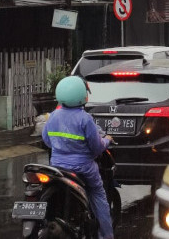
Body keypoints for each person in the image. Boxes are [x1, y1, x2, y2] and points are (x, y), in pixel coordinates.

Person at [42, 76, 114, 239]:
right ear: (82, 96)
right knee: (98, 193)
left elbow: (47, 141)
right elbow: (96, 148)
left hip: (57, 167)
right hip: (83, 168)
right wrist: (107, 141)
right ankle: (106, 235)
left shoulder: (53, 115)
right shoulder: (85, 118)